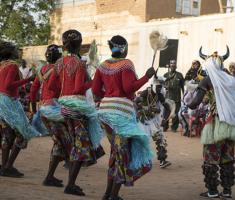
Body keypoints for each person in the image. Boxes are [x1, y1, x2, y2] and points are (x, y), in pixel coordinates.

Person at [92, 35, 155, 200]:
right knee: (123, 154)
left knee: (116, 153)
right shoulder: (127, 64)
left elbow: (96, 90)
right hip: (121, 115)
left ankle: (107, 194)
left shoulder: (102, 65)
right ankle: (113, 195)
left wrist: (110, 96)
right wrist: (147, 77)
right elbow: (128, 89)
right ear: (124, 48)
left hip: (105, 114)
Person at [48, 29, 105, 196]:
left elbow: (51, 87)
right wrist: (93, 81)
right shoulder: (79, 64)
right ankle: (70, 185)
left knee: (77, 145)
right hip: (77, 109)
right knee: (81, 146)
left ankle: (70, 183)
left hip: (63, 107)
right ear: (79, 45)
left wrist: (64, 92)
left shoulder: (58, 63)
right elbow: (79, 88)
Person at [187, 47, 235, 198]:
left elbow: (195, 103)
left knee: (210, 159)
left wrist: (189, 103)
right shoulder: (231, 79)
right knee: (227, 158)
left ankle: (212, 191)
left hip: (215, 124)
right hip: (231, 124)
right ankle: (227, 191)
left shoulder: (208, 79)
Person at [30, 44, 72, 187]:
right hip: (54, 110)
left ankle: (50, 177)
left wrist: (32, 108)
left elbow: (34, 89)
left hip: (43, 109)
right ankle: (70, 182)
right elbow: (62, 89)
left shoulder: (42, 70)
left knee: (59, 142)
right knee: (68, 141)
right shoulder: (59, 70)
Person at [0, 41, 39, 177]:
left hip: (2, 102)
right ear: (10, 52)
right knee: (23, 134)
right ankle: (8, 166)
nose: (18, 51)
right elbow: (9, 85)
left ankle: (4, 167)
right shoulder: (12, 66)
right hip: (9, 102)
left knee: (7, 135)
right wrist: (29, 79)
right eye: (16, 49)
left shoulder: (1, 66)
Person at [136, 76, 171, 169]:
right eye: (158, 86)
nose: (160, 88)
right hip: (142, 121)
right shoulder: (145, 93)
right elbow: (135, 104)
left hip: (152, 121)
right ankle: (140, 160)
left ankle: (162, 160)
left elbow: (168, 108)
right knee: (142, 141)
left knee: (160, 138)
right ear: (153, 85)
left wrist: (164, 119)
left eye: (161, 87)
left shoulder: (159, 95)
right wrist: (144, 109)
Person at [163, 59, 184, 132]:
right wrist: (166, 86)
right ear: (170, 66)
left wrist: (184, 96)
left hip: (177, 97)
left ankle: (174, 127)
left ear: (176, 66)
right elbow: (162, 85)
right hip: (168, 97)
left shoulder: (180, 75)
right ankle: (165, 127)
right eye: (171, 65)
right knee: (166, 113)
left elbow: (182, 87)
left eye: (174, 65)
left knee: (176, 113)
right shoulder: (165, 75)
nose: (172, 66)